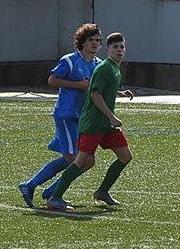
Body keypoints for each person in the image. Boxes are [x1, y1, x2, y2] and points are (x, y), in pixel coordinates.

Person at [46, 32, 135, 211]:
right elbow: (94, 93)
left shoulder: (114, 68)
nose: (119, 50)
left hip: (105, 124)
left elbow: (101, 89)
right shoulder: (105, 68)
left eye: (122, 47)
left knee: (125, 156)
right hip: (93, 123)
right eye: (115, 47)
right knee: (81, 161)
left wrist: (119, 93)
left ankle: (102, 192)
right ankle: (54, 198)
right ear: (108, 50)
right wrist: (111, 116)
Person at [18, 23, 103, 208]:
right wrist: (78, 85)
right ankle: (33, 186)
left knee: (88, 160)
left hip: (83, 118)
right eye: (91, 40)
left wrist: (120, 93)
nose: (95, 43)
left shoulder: (98, 65)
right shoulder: (71, 60)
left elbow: (99, 89)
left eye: (98, 40)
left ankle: (50, 191)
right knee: (74, 158)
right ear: (82, 42)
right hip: (66, 114)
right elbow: (52, 80)